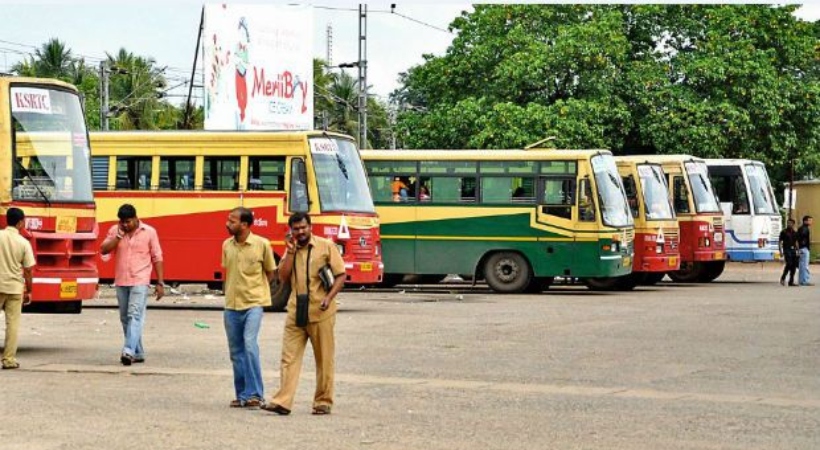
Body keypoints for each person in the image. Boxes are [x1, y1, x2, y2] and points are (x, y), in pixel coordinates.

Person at [263, 212, 345, 416]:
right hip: (295, 311)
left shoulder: (326, 246)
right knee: (288, 358)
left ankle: (323, 401)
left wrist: (329, 298)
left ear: (310, 227)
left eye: (303, 228)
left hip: (321, 310)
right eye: (296, 229)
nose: (300, 232)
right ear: (291, 231)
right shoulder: (291, 250)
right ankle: (283, 401)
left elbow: (340, 275)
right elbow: (282, 277)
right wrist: (289, 253)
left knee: (324, 358)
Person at [222, 207, 276, 409]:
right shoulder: (227, 245)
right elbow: (228, 273)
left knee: (250, 345)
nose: (228, 224)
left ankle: (255, 394)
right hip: (231, 306)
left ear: (244, 225)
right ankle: (242, 394)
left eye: (232, 221)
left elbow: (271, 273)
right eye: (228, 220)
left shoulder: (262, 245)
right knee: (236, 352)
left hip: (254, 304)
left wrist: (258, 293)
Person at [100, 204, 165, 366]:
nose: (125, 225)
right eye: (122, 222)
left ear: (136, 219)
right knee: (125, 318)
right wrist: (118, 236)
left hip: (140, 280)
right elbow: (104, 250)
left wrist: (160, 282)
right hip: (121, 280)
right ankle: (138, 352)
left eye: (128, 222)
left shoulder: (149, 232)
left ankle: (128, 351)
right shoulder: (115, 231)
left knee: (134, 315)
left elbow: (157, 257)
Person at [0, 208, 34, 370]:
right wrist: (29, 290)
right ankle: (9, 359)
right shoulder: (23, 242)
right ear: (20, 222)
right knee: (12, 324)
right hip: (14, 288)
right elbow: (28, 269)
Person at [779, 218, 799, 286]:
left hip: (793, 250)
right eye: (788, 223)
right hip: (786, 250)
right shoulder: (783, 232)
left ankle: (791, 281)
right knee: (789, 263)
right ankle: (783, 277)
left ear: (793, 224)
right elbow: (780, 242)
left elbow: (796, 242)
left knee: (793, 266)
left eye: (790, 223)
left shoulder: (795, 232)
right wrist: (780, 251)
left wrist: (798, 250)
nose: (788, 224)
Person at [797, 215, 813, 286]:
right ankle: (804, 281)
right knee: (805, 266)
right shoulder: (805, 229)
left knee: (802, 265)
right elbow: (802, 238)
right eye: (809, 220)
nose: (811, 222)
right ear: (805, 221)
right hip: (804, 248)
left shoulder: (801, 228)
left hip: (801, 248)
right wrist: (804, 245)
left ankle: (801, 280)